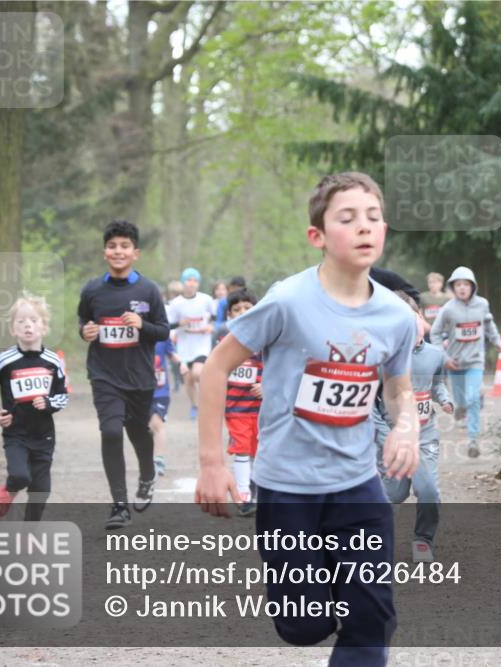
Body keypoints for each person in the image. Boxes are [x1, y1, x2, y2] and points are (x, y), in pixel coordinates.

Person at [196, 171, 419, 667]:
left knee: (373, 616)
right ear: (317, 236)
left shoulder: (396, 318)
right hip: (287, 487)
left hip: (358, 485)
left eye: (373, 217)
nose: (364, 227)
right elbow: (216, 367)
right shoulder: (287, 302)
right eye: (348, 218)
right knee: (304, 625)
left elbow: (400, 390)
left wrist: (407, 426)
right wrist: (212, 463)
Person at [78, 220, 170, 529]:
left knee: (137, 432)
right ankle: (119, 506)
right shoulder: (92, 289)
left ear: (136, 253)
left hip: (140, 377)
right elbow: (84, 321)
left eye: (125, 246)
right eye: (113, 246)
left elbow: (163, 331)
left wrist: (142, 325)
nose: (118, 251)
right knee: (112, 431)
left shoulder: (148, 290)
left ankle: (147, 475)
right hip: (104, 374)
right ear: (105, 252)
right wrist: (85, 330)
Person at [373, 290, 453, 563]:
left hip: (424, 435)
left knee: (428, 489)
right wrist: (385, 436)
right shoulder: (380, 358)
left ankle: (422, 540)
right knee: (392, 494)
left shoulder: (434, 355)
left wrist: (444, 399)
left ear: (420, 318)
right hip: (391, 438)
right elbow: (368, 406)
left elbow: (437, 383)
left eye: (414, 316)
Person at [0, 294, 68, 521]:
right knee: (19, 476)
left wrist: (49, 403)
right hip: (16, 433)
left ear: (44, 327)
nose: (28, 325)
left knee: (41, 490)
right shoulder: (5, 360)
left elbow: (62, 396)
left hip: (44, 435)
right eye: (21, 321)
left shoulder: (53, 361)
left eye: (33, 320)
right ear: (12, 329)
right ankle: (7, 492)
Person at [430, 266, 501, 458]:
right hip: (454, 363)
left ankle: (473, 440)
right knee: (461, 400)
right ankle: (460, 407)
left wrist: (497, 341)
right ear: (453, 287)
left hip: (475, 361)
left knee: (473, 398)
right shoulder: (447, 309)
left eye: (466, 284)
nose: (462, 288)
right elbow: (435, 333)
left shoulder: (482, 304)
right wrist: (443, 357)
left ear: (473, 286)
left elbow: (489, 325)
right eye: (458, 285)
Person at [213, 288, 263, 516]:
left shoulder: (266, 337)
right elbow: (216, 371)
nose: (242, 312)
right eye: (236, 309)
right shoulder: (224, 340)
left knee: (260, 449)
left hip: (263, 408)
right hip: (236, 408)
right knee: (242, 449)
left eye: (247, 307)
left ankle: (258, 488)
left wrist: (267, 385)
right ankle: (244, 495)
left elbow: (278, 366)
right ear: (230, 315)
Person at [168, 268, 215, 420]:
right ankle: (195, 406)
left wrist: (211, 327)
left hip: (201, 343)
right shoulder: (176, 303)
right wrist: (179, 324)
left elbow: (215, 317)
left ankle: (209, 399)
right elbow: (168, 325)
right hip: (184, 345)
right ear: (183, 283)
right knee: (188, 379)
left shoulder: (206, 299)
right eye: (189, 280)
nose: (192, 284)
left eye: (195, 281)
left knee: (197, 373)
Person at [151, 323, 180, 477]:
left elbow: (172, 353)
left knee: (157, 423)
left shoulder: (162, 335)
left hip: (160, 390)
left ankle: (159, 460)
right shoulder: (133, 335)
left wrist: (181, 365)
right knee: (145, 427)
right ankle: (149, 458)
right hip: (140, 389)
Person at [420, 271, 450, 336]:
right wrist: (425, 326)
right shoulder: (422, 297)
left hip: (443, 332)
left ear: (441, 283)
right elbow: (420, 314)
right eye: (430, 282)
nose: (432, 285)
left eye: (435, 282)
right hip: (427, 332)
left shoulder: (447, 298)